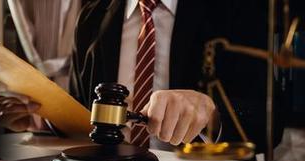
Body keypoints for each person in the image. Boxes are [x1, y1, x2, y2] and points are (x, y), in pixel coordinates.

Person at [70, 0, 287, 152]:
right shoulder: (91, 17)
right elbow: (78, 111)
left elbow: (271, 122)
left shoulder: (238, 9)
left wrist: (212, 114)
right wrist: (44, 117)